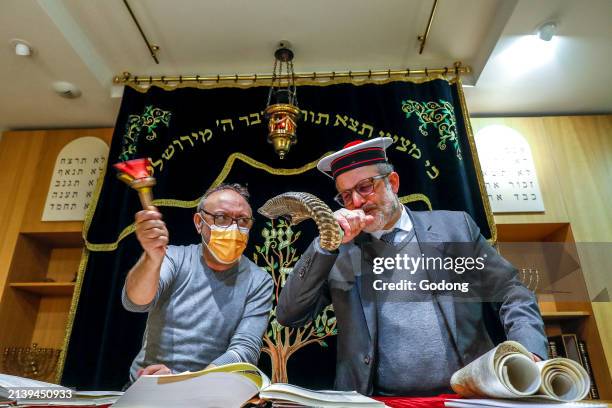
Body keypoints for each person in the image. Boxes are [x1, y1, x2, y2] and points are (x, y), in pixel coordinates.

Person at [276, 137, 547, 396]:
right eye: (346, 196)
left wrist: (528, 350)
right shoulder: (340, 251)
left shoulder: (454, 228)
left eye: (366, 187)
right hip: (378, 401)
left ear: (392, 182)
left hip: (467, 394)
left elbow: (511, 291)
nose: (357, 202)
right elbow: (290, 314)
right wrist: (326, 243)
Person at [122, 183, 273, 383]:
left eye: (243, 221)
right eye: (221, 217)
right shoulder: (173, 257)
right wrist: (151, 257)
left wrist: (188, 381)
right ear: (199, 222)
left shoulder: (259, 280)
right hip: (150, 385)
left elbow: (245, 349)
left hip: (211, 389)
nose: (234, 228)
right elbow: (135, 302)